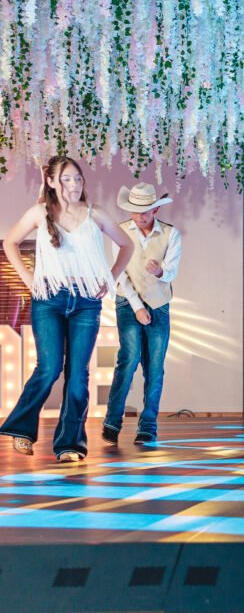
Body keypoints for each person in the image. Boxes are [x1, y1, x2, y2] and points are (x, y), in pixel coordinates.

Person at [0, 156, 133, 462]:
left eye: (78, 179)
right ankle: (21, 428)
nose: (73, 185)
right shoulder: (40, 212)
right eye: (66, 179)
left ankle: (70, 444)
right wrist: (28, 278)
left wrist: (109, 279)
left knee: (78, 374)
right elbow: (10, 242)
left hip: (87, 300)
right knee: (49, 368)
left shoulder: (95, 214)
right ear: (50, 182)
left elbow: (127, 246)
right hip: (49, 298)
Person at [101, 183, 182, 445]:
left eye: (145, 211)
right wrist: (136, 307)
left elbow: (171, 270)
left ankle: (148, 426)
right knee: (128, 360)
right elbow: (120, 272)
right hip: (128, 303)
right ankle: (112, 422)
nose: (140, 216)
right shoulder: (121, 232)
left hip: (159, 304)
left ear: (155, 209)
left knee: (155, 367)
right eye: (135, 211)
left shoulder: (171, 234)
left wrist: (160, 272)